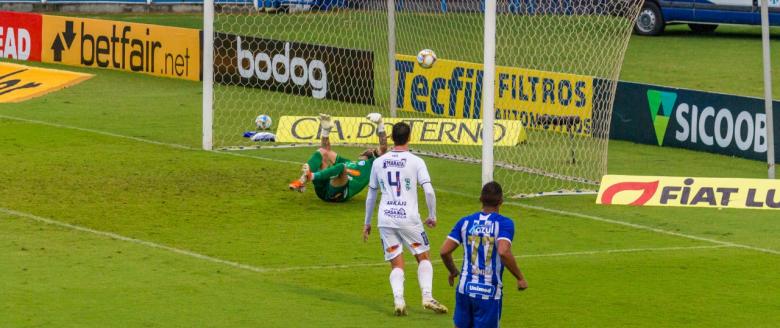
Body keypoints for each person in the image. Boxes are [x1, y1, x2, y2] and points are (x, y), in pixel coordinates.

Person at [363, 122, 448, 316]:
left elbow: (371, 194)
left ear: (392, 138)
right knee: (423, 256)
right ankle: (427, 296)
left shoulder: (378, 162)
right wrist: (432, 215)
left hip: (385, 219)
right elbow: (429, 191)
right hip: (409, 218)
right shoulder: (416, 161)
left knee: (396, 263)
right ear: (409, 138)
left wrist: (367, 222)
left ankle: (399, 301)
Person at [439, 181, 529, 328]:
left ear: (481, 199)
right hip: (489, 292)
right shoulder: (504, 224)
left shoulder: (465, 222)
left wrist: (453, 271)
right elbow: (503, 251)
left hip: (465, 289)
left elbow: (444, 251)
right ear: (501, 201)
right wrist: (520, 278)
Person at [288, 113, 387, 202]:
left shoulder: (371, 165)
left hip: (338, 193)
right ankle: (301, 180)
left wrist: (380, 124)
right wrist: (325, 132)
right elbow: (326, 152)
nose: (369, 149)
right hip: (323, 189)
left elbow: (383, 148)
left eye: (372, 150)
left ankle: (311, 176)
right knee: (322, 152)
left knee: (341, 167)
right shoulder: (349, 162)